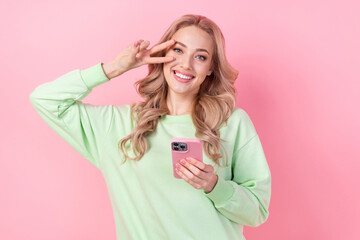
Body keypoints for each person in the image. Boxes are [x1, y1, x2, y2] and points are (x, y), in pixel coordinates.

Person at [30, 14, 271, 240]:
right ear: (163, 53)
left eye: (200, 56)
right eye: (178, 50)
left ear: (210, 69)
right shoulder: (119, 125)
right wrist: (115, 67)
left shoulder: (232, 123)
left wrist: (214, 186)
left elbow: (257, 212)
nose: (186, 65)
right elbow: (45, 99)